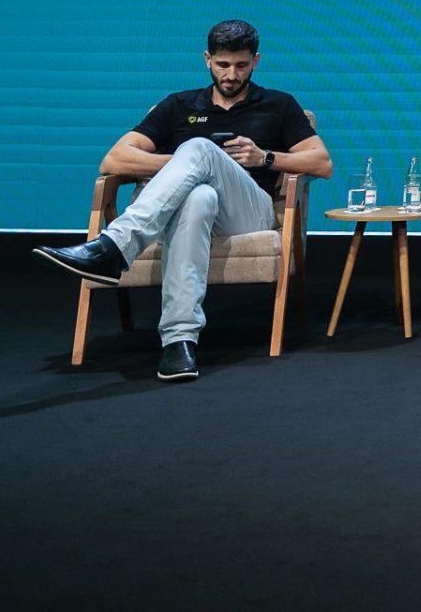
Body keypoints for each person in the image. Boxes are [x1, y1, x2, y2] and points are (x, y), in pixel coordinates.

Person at [33, 20, 332, 382]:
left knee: (199, 149)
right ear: (207, 59)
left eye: (241, 65)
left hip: (248, 211)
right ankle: (179, 343)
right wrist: (185, 163)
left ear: (256, 61)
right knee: (198, 194)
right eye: (223, 65)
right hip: (189, 210)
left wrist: (265, 158)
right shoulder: (178, 105)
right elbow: (113, 160)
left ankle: (114, 247)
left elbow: (322, 163)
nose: (232, 75)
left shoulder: (279, 105)